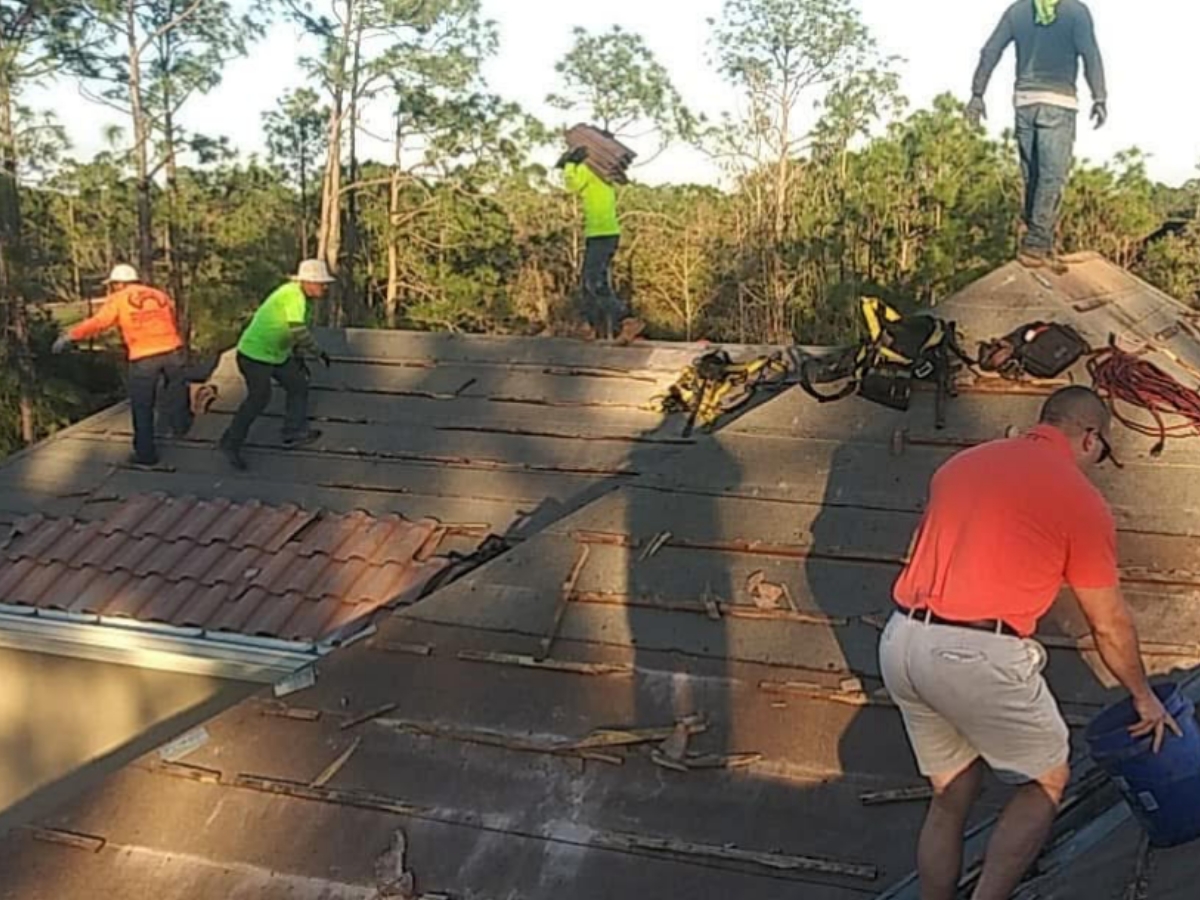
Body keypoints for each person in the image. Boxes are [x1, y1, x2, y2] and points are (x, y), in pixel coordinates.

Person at [880, 386, 1179, 900]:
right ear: (1090, 438)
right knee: (1045, 780)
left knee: (952, 794)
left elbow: (922, 551)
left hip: (902, 640)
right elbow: (1107, 623)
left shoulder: (961, 466)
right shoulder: (1079, 500)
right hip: (975, 652)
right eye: (1102, 452)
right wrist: (1143, 696)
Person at [967, 0, 1107, 270]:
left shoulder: (1018, 10)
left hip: (1025, 103)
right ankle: (1036, 244)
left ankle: (1037, 240)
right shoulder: (1076, 11)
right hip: (1059, 102)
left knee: (1032, 176)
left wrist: (977, 93)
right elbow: (1091, 55)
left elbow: (990, 51)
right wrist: (1099, 97)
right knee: (1052, 176)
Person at [52, 263, 188, 467]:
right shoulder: (158, 294)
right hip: (173, 351)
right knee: (176, 391)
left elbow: (99, 322)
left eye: (113, 284)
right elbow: (172, 315)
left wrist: (70, 336)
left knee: (142, 405)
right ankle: (181, 427)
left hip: (145, 356)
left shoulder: (119, 299)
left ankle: (146, 454)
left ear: (118, 284)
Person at [218, 259, 334, 471]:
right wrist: (318, 352)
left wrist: (298, 357)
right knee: (259, 398)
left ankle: (292, 432)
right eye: (321, 283)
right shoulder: (293, 295)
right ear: (307, 282)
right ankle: (230, 442)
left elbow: (290, 333)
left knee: (298, 384)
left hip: (277, 355)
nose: (325, 288)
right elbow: (298, 330)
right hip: (254, 355)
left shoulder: (305, 300)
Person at [555, 144, 644, 344]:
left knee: (593, 282)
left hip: (601, 234)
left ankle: (625, 320)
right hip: (604, 234)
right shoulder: (603, 171)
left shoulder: (587, 169)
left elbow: (572, 185)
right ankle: (589, 327)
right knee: (590, 282)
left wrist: (569, 165)